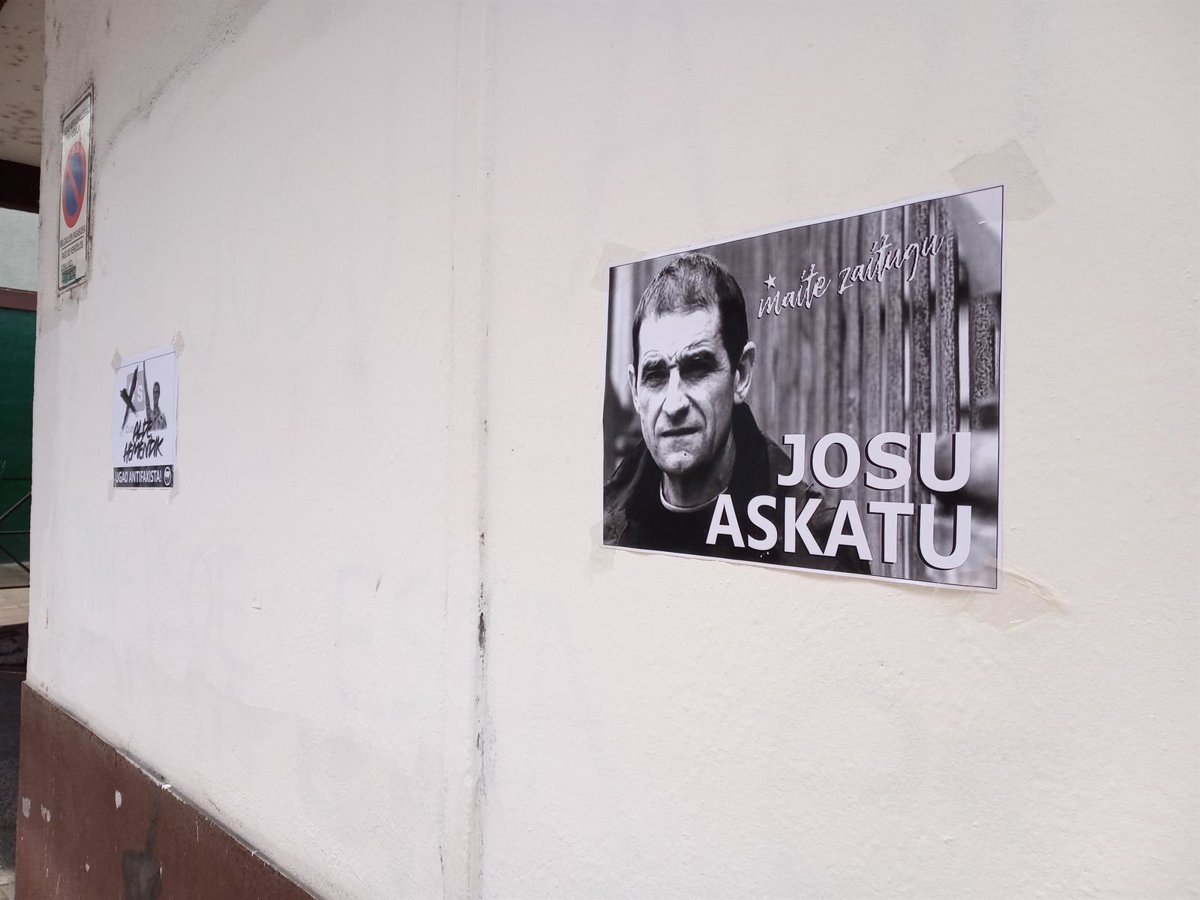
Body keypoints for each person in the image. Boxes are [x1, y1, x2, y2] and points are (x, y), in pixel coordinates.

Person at [604, 253, 868, 575]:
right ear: (635, 390)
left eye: (697, 368)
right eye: (655, 375)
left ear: (740, 375)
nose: (673, 404)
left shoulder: (817, 544)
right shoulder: (604, 519)